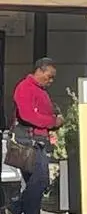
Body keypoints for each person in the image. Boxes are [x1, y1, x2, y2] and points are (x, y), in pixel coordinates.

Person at [11, 58, 61, 214]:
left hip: (37, 141)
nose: (51, 80)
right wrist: (53, 121)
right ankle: (16, 208)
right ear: (39, 70)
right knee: (40, 180)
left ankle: (20, 208)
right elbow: (28, 115)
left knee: (37, 182)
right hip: (27, 141)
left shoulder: (41, 90)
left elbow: (42, 112)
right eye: (49, 76)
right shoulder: (25, 87)